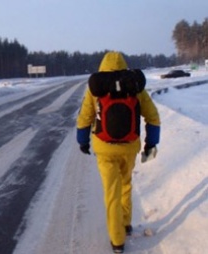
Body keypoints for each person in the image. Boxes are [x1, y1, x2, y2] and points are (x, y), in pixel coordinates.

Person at [76, 51, 160, 253]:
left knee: (110, 192)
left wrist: (83, 141)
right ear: (124, 65)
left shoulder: (97, 87)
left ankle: (117, 241)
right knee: (126, 184)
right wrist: (151, 143)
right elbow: (153, 117)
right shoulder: (135, 86)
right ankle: (126, 223)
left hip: (104, 148)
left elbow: (85, 116)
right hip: (129, 147)